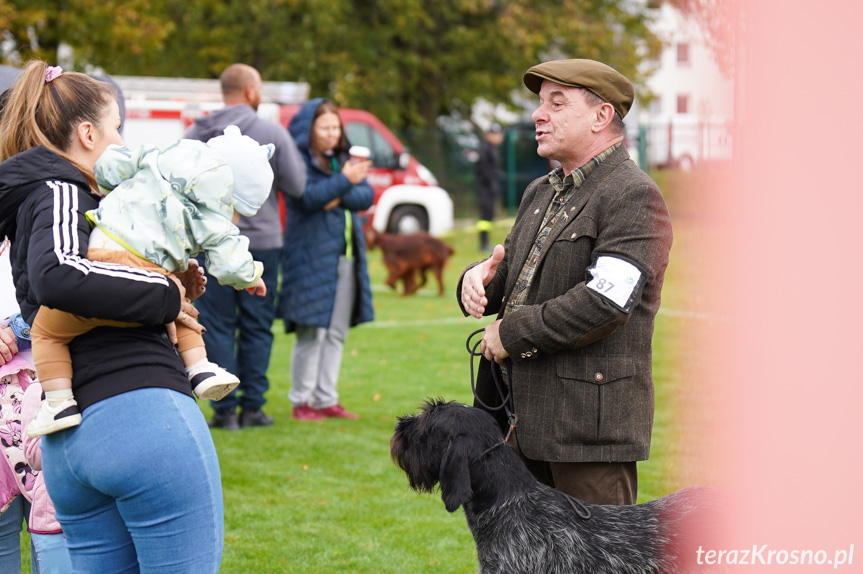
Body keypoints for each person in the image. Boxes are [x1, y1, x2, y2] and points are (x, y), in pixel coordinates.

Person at [0, 60, 223, 571]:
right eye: (117, 128)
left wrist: (169, 281)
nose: (122, 140)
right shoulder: (58, 189)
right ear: (86, 133)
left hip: (72, 442)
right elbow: (61, 271)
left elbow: (90, 284)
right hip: (140, 416)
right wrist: (166, 292)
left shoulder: (56, 198)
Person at [458, 59, 673, 506]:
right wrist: (477, 279)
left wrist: (509, 333)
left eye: (557, 104)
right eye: (540, 103)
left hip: (584, 432)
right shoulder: (541, 191)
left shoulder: (632, 193)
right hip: (518, 422)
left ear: (601, 117)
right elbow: (513, 278)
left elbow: (605, 302)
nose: (539, 115)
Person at [26, 125, 274, 437]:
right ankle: (200, 367)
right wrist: (252, 277)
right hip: (154, 274)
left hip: (109, 258)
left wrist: (105, 183)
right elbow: (230, 265)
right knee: (179, 304)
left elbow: (114, 163)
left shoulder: (162, 157)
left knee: (46, 332)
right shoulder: (216, 217)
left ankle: (59, 402)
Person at [185, 63, 306, 430]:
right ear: (251, 91)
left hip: (207, 241)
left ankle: (224, 409)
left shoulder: (196, 131)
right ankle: (253, 407)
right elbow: (297, 185)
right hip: (263, 240)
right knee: (256, 325)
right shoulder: (271, 132)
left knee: (217, 324)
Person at [278, 98, 374, 422]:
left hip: (346, 258)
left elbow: (365, 197)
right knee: (311, 332)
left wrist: (336, 192)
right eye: (326, 127)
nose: (333, 133)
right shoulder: (298, 160)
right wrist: (346, 180)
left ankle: (326, 399)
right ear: (310, 129)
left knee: (336, 333)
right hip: (310, 258)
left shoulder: (342, 160)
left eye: (336, 127)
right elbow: (307, 198)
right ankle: (300, 401)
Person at [475, 123, 504, 252]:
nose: (499, 137)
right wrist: (492, 184)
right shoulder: (485, 149)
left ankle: (485, 242)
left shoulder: (491, 148)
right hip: (485, 188)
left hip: (489, 188)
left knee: (488, 216)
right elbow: (484, 169)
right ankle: (483, 243)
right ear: (488, 135)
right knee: (485, 216)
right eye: (496, 134)